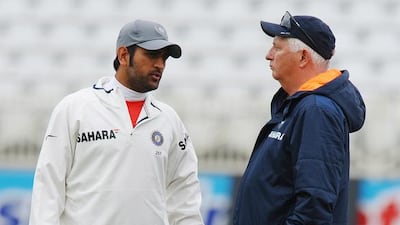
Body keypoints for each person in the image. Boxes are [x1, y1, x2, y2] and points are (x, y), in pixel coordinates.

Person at [29, 19, 204, 225]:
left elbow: (185, 197)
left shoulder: (169, 120)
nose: (160, 64)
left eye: (164, 58)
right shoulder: (75, 108)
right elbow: (49, 186)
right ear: (123, 55)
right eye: (151, 55)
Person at [233, 11, 366, 225]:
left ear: (303, 57)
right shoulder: (301, 107)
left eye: (277, 47)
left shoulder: (316, 110)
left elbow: (313, 208)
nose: (268, 54)